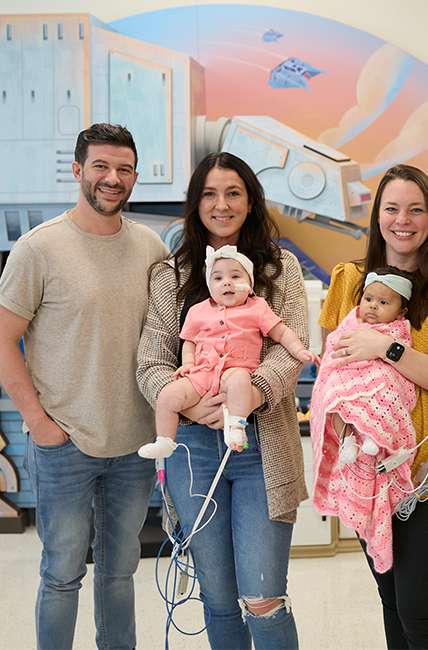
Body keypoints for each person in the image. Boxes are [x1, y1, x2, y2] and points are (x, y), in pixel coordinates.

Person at [0, 123, 168, 650]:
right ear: (77, 171)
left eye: (124, 169)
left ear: (135, 177)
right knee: (62, 573)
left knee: (119, 573)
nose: (113, 179)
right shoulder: (38, 249)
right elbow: (2, 342)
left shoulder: (151, 247)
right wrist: (39, 424)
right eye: (101, 167)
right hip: (64, 443)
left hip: (135, 444)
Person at [136, 151, 309, 650]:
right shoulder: (172, 274)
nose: (221, 204)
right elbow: (152, 360)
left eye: (233, 192)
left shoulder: (279, 268)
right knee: (217, 597)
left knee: (262, 598)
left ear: (251, 200)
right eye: (209, 194)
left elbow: (287, 347)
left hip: (260, 447)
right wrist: (188, 405)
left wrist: (248, 393)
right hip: (191, 450)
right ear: (195, 205)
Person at [319, 164, 428, 650]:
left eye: (416, 209)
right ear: (376, 217)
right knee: (390, 598)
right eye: (392, 208)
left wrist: (384, 347)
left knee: (417, 604)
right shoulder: (350, 280)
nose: (403, 220)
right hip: (368, 467)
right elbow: (334, 371)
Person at [139, 244, 317, 459]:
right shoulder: (197, 311)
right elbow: (189, 341)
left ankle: (236, 427)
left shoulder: (257, 307)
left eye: (235, 276)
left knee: (241, 380)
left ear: (250, 285)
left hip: (236, 370)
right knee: (167, 395)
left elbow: (281, 333)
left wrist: (299, 351)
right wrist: (188, 364)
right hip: (203, 372)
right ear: (210, 287)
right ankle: (165, 441)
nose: (227, 282)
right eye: (218, 278)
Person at [309, 266, 418, 574]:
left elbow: (399, 362)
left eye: (384, 303)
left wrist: (378, 356)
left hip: (379, 377)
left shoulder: (398, 330)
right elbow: (334, 349)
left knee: (384, 387)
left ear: (401, 310)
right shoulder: (351, 321)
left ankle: (374, 437)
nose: (373, 306)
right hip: (348, 375)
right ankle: (347, 441)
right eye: (369, 298)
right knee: (337, 400)